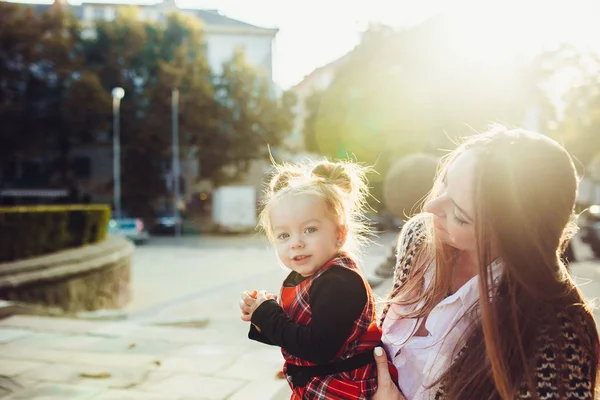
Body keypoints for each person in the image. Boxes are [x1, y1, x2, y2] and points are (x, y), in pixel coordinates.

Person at [370, 126, 599, 399]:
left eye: (460, 216)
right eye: (445, 183)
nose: (432, 209)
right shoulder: (420, 237)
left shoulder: (559, 340)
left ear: (514, 238)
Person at [239, 160, 396, 399]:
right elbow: (297, 336)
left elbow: (319, 348)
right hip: (318, 387)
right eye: (284, 235)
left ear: (339, 234)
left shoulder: (339, 282)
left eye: (310, 229)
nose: (296, 242)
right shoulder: (309, 276)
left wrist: (269, 315)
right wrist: (260, 315)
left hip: (344, 390)